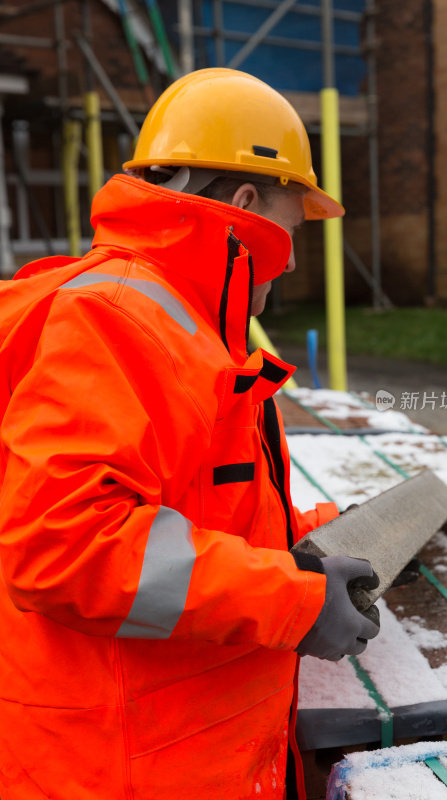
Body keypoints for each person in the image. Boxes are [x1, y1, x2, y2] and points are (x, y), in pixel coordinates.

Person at [0, 68, 379, 800]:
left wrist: (318, 538)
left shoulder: (166, 321)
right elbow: (64, 543)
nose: (293, 258)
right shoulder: (116, 320)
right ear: (243, 205)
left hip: (170, 746)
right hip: (128, 766)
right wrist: (294, 600)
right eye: (290, 227)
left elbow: (191, 512)